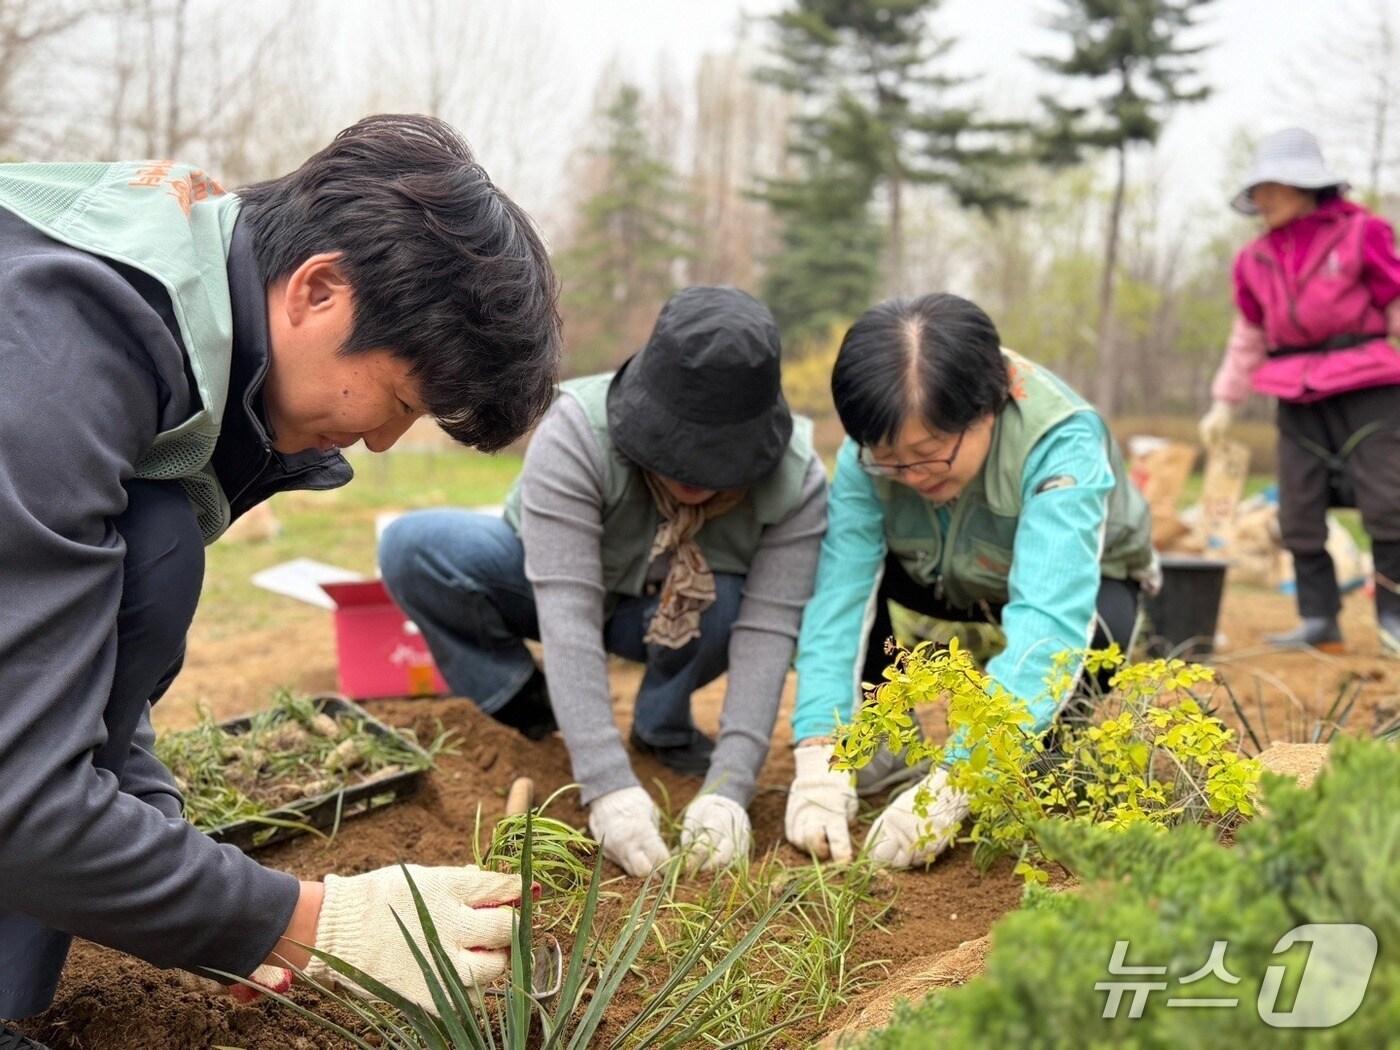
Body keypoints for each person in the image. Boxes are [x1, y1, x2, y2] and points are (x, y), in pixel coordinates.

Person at [0, 114, 561, 1039]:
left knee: (155, 549)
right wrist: (306, 924)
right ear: (319, 290)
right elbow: (18, 796)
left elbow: (68, 668)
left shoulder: (178, 329)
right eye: (402, 400)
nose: (384, 438)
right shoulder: (58, 348)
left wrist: (195, 877)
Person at [380, 286, 827, 877]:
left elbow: (768, 632)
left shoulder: (797, 482)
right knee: (415, 548)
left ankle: (661, 729)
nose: (692, 476)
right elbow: (566, 612)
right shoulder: (577, 431)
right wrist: (605, 782)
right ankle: (531, 711)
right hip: (543, 587)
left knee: (731, 603)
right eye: (676, 451)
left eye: (715, 460)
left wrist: (730, 787)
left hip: (680, 614)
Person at [783, 293, 1156, 869]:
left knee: (1088, 652)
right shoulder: (869, 455)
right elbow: (840, 595)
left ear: (988, 408)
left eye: (930, 453)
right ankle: (878, 749)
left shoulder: (1061, 440)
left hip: (1077, 584)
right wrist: (818, 754)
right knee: (840, 586)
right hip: (935, 571)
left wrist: (959, 779)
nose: (910, 474)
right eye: (889, 460)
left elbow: (1049, 623)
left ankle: (1039, 752)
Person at [1198, 127, 1400, 656]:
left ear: (1305, 185)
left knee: (1389, 501)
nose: (1262, 200)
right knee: (1298, 508)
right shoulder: (1254, 259)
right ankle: (1319, 619)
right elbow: (1250, 334)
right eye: (1257, 190)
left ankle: (1393, 615)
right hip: (1293, 388)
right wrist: (1225, 402)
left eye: (1272, 187)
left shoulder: (1363, 234)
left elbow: (1395, 302)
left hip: (1367, 382)